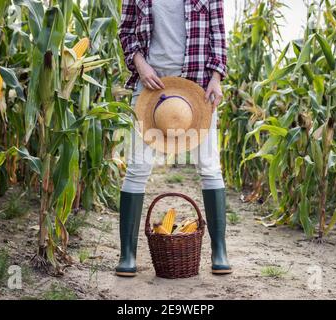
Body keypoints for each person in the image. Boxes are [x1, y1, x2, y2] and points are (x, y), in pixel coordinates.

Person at [116, 0, 232, 277]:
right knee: (137, 168)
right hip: (151, 88)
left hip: (195, 89)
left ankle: (220, 251)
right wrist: (141, 66)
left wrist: (216, 78)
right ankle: (127, 255)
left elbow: (218, 34)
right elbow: (127, 32)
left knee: (210, 167)